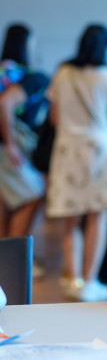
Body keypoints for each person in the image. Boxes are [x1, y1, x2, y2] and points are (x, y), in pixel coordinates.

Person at [46, 24, 107, 302]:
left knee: (70, 220)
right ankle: (90, 282)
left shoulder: (63, 73)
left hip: (67, 151)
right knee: (98, 218)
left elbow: (54, 118)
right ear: (106, 47)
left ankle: (73, 280)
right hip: (100, 151)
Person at [0, 24, 49, 238]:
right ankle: (16, 257)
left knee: (4, 200)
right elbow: (5, 103)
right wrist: (10, 143)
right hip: (11, 146)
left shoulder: (4, 71)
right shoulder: (32, 77)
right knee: (33, 194)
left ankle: (6, 261)